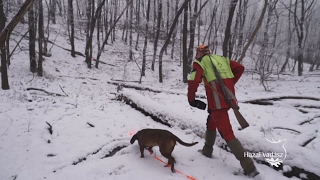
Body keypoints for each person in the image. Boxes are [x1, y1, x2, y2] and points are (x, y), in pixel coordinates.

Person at [187, 44, 259, 177]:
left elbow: (193, 82)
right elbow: (240, 68)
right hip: (228, 99)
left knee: (227, 133)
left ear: (198, 53)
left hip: (217, 103)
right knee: (211, 122)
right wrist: (229, 86)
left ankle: (249, 167)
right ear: (210, 51)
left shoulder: (200, 62)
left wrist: (191, 100)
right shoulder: (222, 59)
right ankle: (207, 150)